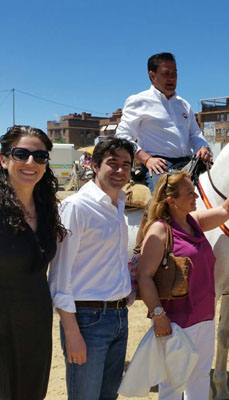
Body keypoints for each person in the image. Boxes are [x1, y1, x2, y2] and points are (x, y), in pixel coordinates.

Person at [135, 158, 229, 400]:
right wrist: (158, 315)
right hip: (176, 322)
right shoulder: (160, 230)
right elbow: (143, 276)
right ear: (172, 201)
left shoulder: (195, 222)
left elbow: (226, 211)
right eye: (190, 193)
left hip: (204, 317)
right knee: (172, 384)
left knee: (200, 376)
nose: (196, 197)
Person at [49, 137, 135, 399]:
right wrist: (72, 332)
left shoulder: (118, 204)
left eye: (126, 165)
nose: (120, 170)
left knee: (109, 395)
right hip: (87, 319)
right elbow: (59, 275)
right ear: (95, 166)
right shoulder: (76, 207)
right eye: (113, 163)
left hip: (119, 316)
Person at [0, 126, 67, 400]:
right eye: (21, 154)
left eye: (40, 156)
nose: (31, 163)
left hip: (36, 325)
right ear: (3, 160)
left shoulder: (48, 208)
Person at [115, 52, 211, 192]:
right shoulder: (138, 101)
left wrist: (202, 147)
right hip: (159, 166)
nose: (172, 78)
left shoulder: (184, 105)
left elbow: (195, 135)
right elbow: (122, 136)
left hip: (189, 162)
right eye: (166, 74)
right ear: (152, 76)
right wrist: (147, 159)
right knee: (164, 204)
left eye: (174, 74)